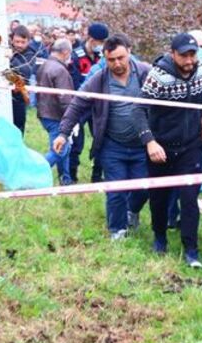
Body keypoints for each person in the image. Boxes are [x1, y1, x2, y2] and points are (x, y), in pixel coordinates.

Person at [54, 34, 151, 240]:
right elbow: (77, 104)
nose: (117, 63)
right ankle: (117, 230)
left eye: (120, 58)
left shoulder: (145, 73)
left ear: (129, 52)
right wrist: (63, 132)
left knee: (143, 187)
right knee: (115, 189)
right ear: (105, 58)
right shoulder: (99, 79)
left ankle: (132, 211)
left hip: (142, 144)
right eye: (111, 60)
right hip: (112, 145)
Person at [133, 32, 202, 268]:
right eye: (183, 56)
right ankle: (159, 237)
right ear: (172, 54)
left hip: (190, 146)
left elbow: (201, 98)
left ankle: (191, 249)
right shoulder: (158, 77)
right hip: (162, 146)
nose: (189, 61)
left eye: (193, 55)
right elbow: (138, 110)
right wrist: (150, 142)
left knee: (189, 198)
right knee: (159, 197)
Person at [69, 22, 109, 183]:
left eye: (102, 42)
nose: (99, 45)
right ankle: (71, 176)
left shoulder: (104, 58)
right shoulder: (76, 56)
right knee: (76, 140)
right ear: (90, 39)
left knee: (101, 139)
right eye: (97, 41)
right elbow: (74, 82)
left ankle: (97, 175)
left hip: (98, 105)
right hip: (81, 105)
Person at [36, 39, 75, 186]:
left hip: (44, 112)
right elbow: (65, 98)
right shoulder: (60, 70)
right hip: (56, 115)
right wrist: (71, 118)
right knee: (60, 149)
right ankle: (35, 173)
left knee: (64, 147)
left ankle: (65, 179)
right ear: (65, 52)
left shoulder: (44, 66)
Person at [9, 24, 37, 135]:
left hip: (19, 96)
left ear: (28, 41)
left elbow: (26, 71)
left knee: (18, 128)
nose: (19, 45)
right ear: (12, 40)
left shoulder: (31, 54)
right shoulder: (6, 48)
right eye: (17, 41)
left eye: (22, 42)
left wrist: (11, 59)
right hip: (3, 95)